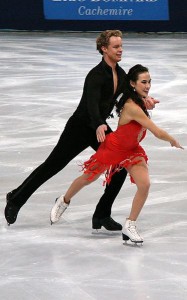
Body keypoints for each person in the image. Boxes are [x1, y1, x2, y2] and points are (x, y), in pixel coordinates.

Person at [5, 30, 158, 230]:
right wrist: (99, 123)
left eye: (121, 46)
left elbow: (126, 94)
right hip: (80, 128)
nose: (120, 50)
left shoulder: (120, 74)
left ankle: (102, 214)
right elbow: (91, 104)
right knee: (52, 165)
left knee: (120, 166)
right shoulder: (95, 75)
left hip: (99, 129)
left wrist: (143, 99)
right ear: (104, 49)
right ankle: (15, 199)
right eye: (115, 47)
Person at [50, 64, 183, 244]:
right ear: (133, 84)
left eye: (149, 81)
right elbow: (157, 132)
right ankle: (63, 200)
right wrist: (172, 140)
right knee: (88, 178)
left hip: (132, 150)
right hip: (113, 148)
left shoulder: (138, 100)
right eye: (143, 82)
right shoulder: (132, 107)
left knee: (144, 184)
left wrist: (147, 101)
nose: (148, 85)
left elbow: (142, 107)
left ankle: (130, 225)